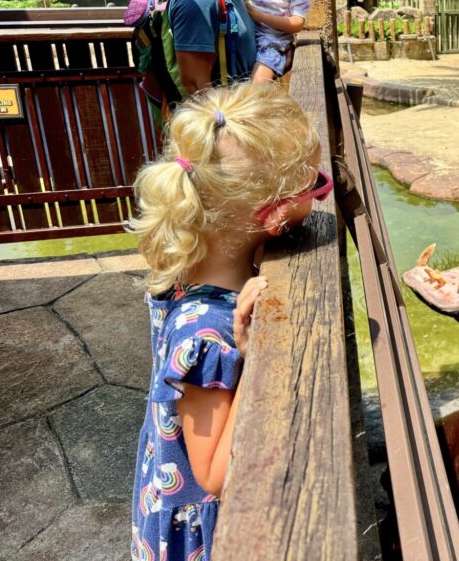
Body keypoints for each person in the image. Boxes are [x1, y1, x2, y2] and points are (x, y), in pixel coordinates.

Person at [128, 83, 328, 561]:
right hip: (201, 539)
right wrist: (256, 354)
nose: (321, 196)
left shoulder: (185, 262)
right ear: (277, 215)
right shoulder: (207, 333)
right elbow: (214, 474)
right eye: (316, 186)